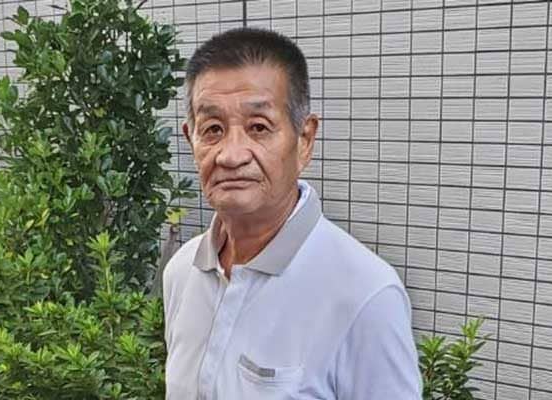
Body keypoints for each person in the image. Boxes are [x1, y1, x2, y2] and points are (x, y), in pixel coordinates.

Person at [163, 27, 422, 400]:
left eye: (258, 127)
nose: (231, 155)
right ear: (192, 140)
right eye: (213, 129)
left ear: (304, 139)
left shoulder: (365, 294)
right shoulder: (182, 273)